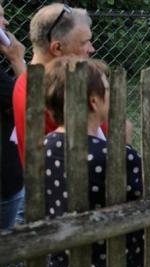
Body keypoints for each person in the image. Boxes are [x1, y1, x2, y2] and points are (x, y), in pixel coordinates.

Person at [43, 56, 144, 267]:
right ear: (93, 100)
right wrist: (124, 146)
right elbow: (144, 205)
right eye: (109, 91)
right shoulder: (114, 155)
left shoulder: (43, 148)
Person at [13, 3, 96, 165]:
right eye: (84, 42)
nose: (91, 49)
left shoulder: (26, 80)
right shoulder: (58, 93)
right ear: (57, 48)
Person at [0, 2, 26, 230]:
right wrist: (17, 59)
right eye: (0, 17)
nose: (6, 23)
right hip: (5, 184)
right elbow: (30, 103)